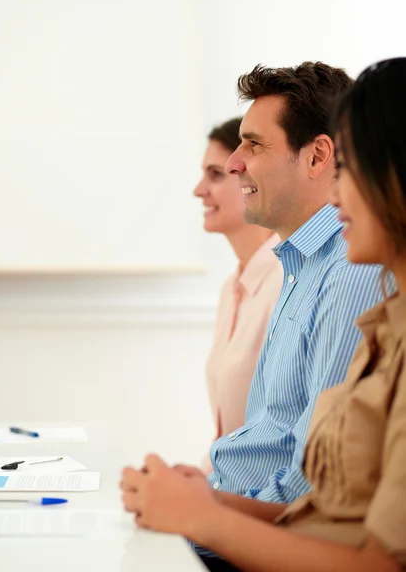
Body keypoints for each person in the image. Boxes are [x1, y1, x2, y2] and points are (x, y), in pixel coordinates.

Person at [120, 57, 406, 572]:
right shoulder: (300, 268)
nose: (234, 165)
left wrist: (206, 515)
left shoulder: (352, 277)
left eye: (253, 145)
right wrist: (204, 499)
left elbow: (322, 506)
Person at [194, 119, 282, 471]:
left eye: (215, 174)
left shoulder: (284, 281)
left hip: (258, 499)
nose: (199, 190)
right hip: (226, 486)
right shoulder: (231, 289)